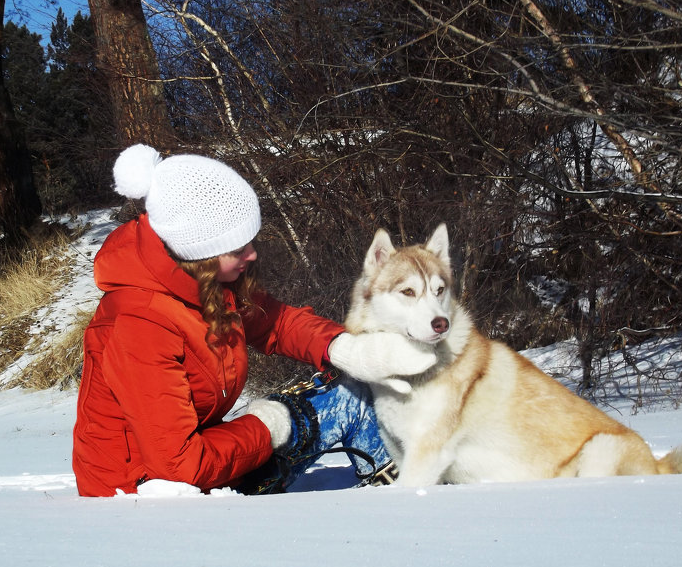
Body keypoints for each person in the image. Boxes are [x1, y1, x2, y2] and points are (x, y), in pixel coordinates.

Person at [72, 145, 435, 496]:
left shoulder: (203, 284)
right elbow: (180, 466)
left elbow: (276, 323)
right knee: (340, 402)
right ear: (201, 252)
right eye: (238, 248)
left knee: (352, 382)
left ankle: (403, 476)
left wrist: (348, 348)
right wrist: (266, 426)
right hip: (146, 496)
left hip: (195, 463)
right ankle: (400, 499)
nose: (252, 253)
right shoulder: (141, 324)